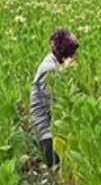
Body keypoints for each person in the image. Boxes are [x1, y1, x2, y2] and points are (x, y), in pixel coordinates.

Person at [29, 29, 79, 168]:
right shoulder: (49, 70)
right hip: (46, 131)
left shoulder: (57, 66)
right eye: (73, 54)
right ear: (65, 56)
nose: (75, 57)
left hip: (56, 129)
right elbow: (53, 106)